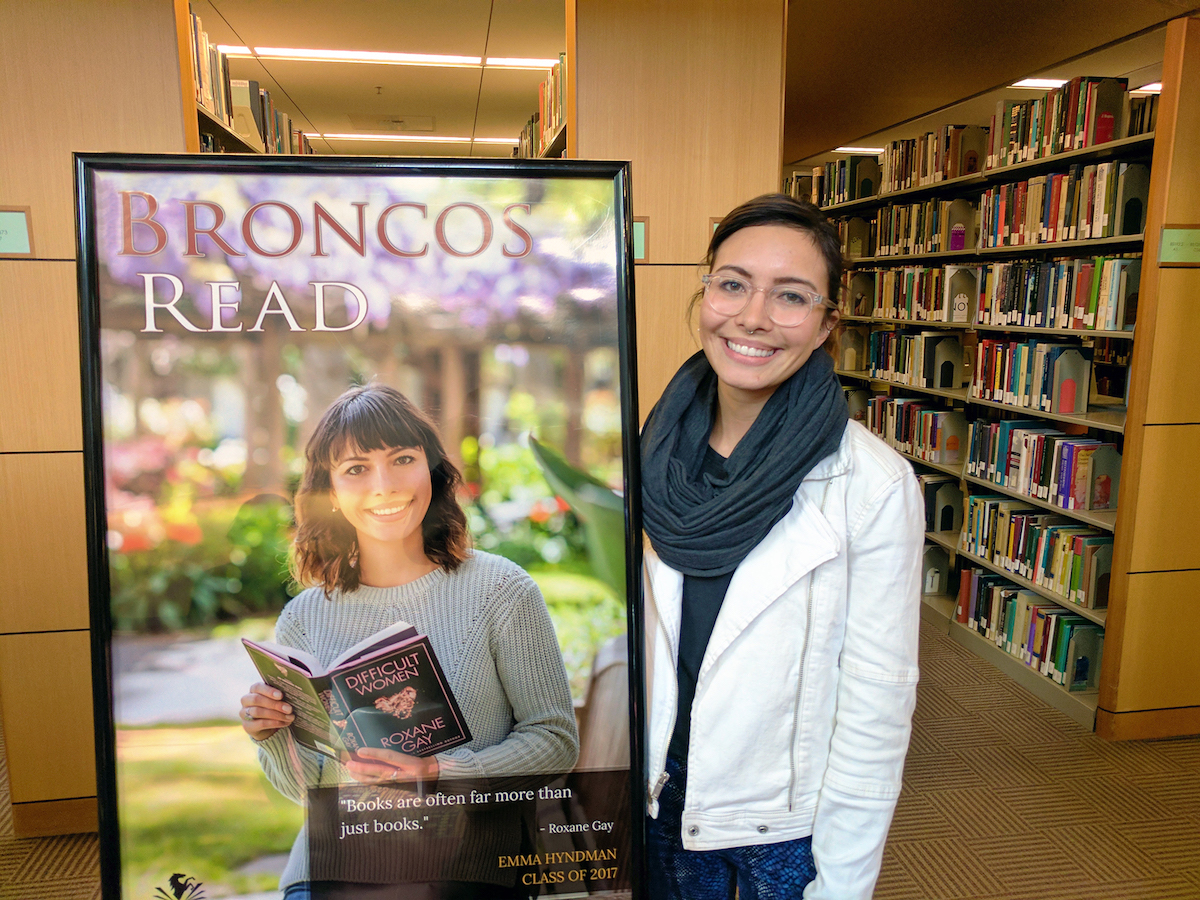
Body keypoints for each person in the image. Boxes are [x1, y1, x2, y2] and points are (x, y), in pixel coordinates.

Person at [641, 194, 923, 900]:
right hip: (653, 799)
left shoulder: (872, 485)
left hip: (781, 831)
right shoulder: (647, 452)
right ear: (705, 292)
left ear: (829, 323)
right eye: (732, 283)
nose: (753, 317)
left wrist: (844, 881)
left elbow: (876, 707)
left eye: (791, 296)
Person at [239, 383, 579, 899]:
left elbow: (555, 743)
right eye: (356, 469)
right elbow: (310, 794)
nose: (384, 486)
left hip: (465, 869)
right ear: (330, 491)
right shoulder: (304, 618)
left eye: (402, 459)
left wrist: (439, 771)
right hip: (332, 871)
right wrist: (272, 736)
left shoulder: (500, 590)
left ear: (433, 469)